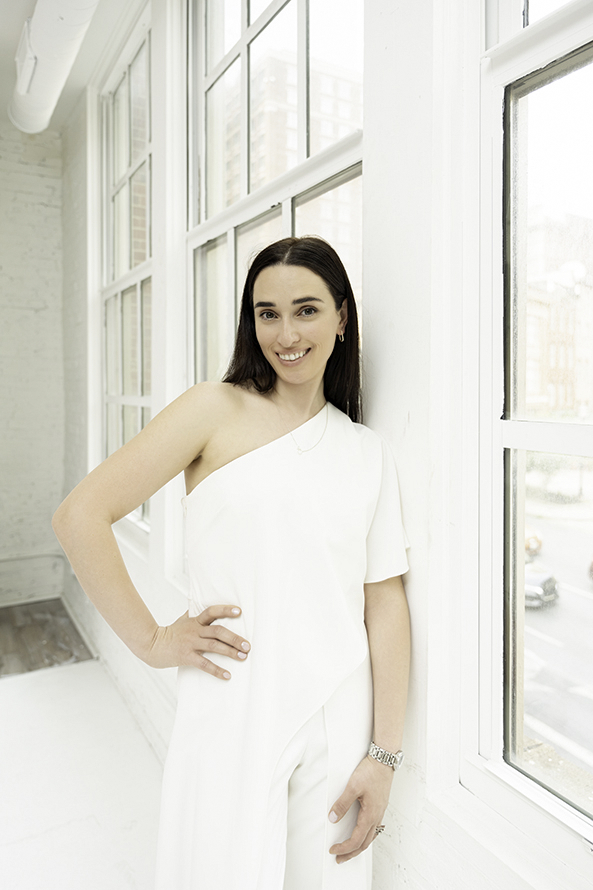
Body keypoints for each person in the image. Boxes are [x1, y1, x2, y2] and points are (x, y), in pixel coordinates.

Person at [52, 236, 410, 890]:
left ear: (340, 317)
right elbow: (80, 515)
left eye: (305, 310)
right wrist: (152, 639)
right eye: (266, 313)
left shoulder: (365, 452)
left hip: (338, 709)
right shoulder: (213, 409)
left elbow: (384, 603)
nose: (286, 332)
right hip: (232, 697)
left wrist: (383, 757)